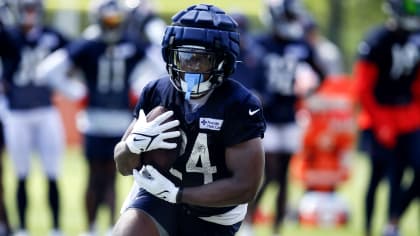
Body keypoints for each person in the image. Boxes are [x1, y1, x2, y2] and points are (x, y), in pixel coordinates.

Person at [112, 4, 266, 236]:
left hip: (214, 212)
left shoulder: (240, 105)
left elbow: (245, 186)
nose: (190, 67)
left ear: (223, 61)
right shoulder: (157, 92)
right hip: (155, 195)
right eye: (183, 57)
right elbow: (123, 165)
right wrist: (132, 145)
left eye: (200, 60)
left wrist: (177, 193)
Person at [36, 0, 148, 235]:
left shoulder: (89, 43)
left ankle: (97, 228)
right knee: (107, 177)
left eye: (115, 20)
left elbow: (46, 71)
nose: (111, 25)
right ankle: (101, 228)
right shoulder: (113, 43)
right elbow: (161, 64)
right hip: (108, 120)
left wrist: (75, 91)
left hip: (101, 120)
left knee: (102, 177)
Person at [240, 0, 325, 235]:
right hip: (263, 117)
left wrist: (308, 88)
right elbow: (245, 74)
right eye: (288, 18)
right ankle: (248, 221)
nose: (292, 23)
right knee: (268, 172)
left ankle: (277, 227)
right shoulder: (258, 43)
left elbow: (320, 72)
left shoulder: (300, 45)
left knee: (284, 175)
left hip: (288, 115)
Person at [0, 0, 68, 235]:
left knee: (52, 172)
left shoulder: (51, 35)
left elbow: (78, 53)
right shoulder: (8, 36)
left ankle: (56, 228)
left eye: (32, 8)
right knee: (21, 174)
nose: (29, 14)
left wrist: (66, 80)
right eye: (25, 8)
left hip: (45, 110)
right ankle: (22, 229)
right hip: (17, 113)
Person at [354, 0, 420, 235]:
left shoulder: (415, 38)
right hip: (378, 118)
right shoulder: (377, 39)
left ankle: (393, 222)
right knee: (379, 176)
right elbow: (363, 87)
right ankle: (369, 228)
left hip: (407, 117)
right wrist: (381, 123)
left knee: (410, 172)